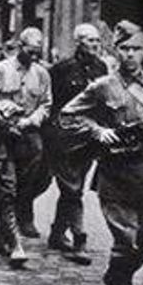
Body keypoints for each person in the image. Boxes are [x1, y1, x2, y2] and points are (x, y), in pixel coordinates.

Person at [59, 20, 143, 285]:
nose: (130, 55)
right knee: (126, 241)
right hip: (117, 174)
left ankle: (117, 273)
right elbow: (67, 116)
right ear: (115, 50)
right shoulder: (102, 87)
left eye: (136, 48)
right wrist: (97, 131)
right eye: (124, 48)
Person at [0, 27, 52, 266]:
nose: (35, 57)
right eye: (30, 51)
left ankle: (2, 238)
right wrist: (2, 117)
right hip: (1, 137)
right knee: (6, 188)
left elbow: (46, 104)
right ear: (20, 47)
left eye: (38, 52)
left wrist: (31, 120)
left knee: (23, 190)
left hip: (29, 140)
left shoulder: (42, 74)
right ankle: (16, 244)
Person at [46, 23, 115, 265]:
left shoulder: (101, 67)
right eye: (90, 41)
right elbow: (50, 105)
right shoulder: (62, 69)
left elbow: (103, 103)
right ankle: (79, 240)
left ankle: (56, 233)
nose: (96, 45)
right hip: (64, 139)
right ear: (78, 43)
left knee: (74, 189)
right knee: (72, 190)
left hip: (87, 139)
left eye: (98, 41)